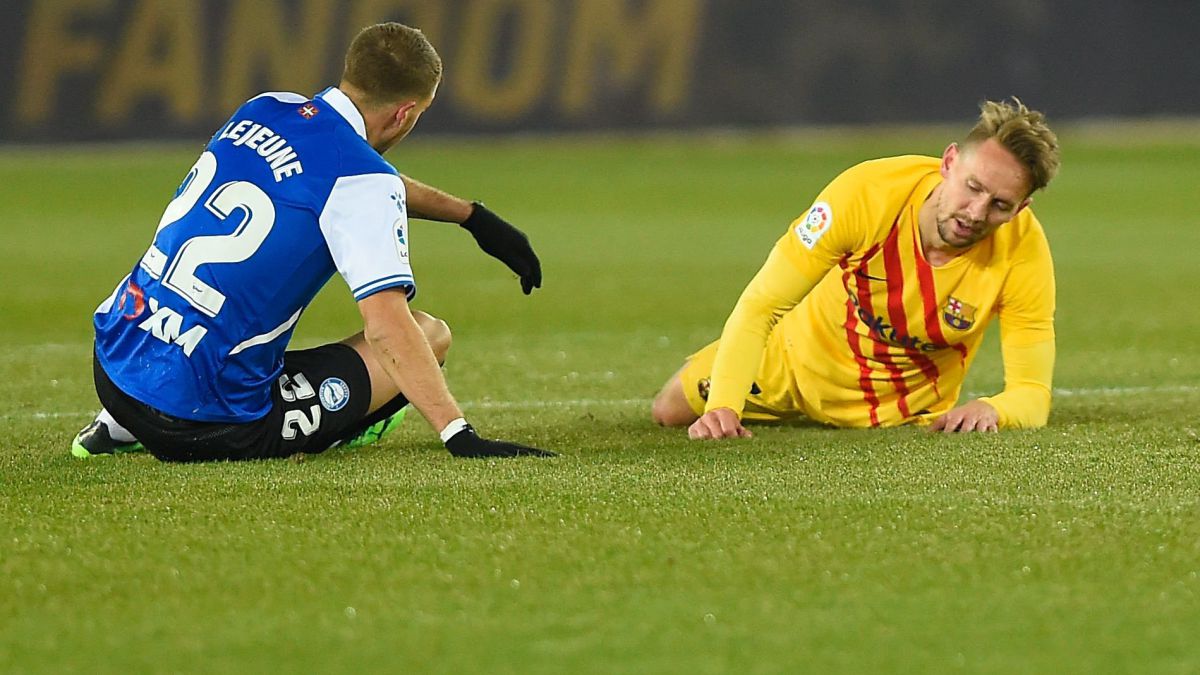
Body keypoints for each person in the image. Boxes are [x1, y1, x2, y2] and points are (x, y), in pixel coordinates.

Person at [72, 22, 554, 461]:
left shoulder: (264, 108)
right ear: (406, 113)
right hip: (203, 423)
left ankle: (114, 427)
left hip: (113, 364)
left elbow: (343, 177)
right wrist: (459, 434)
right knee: (430, 334)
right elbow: (387, 326)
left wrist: (470, 216)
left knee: (207, 318)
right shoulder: (363, 182)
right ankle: (342, 427)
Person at [652, 99, 1061, 439]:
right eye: (973, 187)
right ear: (949, 162)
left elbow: (1032, 393)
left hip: (901, 413)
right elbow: (762, 304)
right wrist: (723, 404)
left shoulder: (1024, 250)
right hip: (795, 366)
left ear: (1021, 208)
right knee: (669, 410)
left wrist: (994, 408)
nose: (975, 213)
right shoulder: (865, 195)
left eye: (1000, 205)